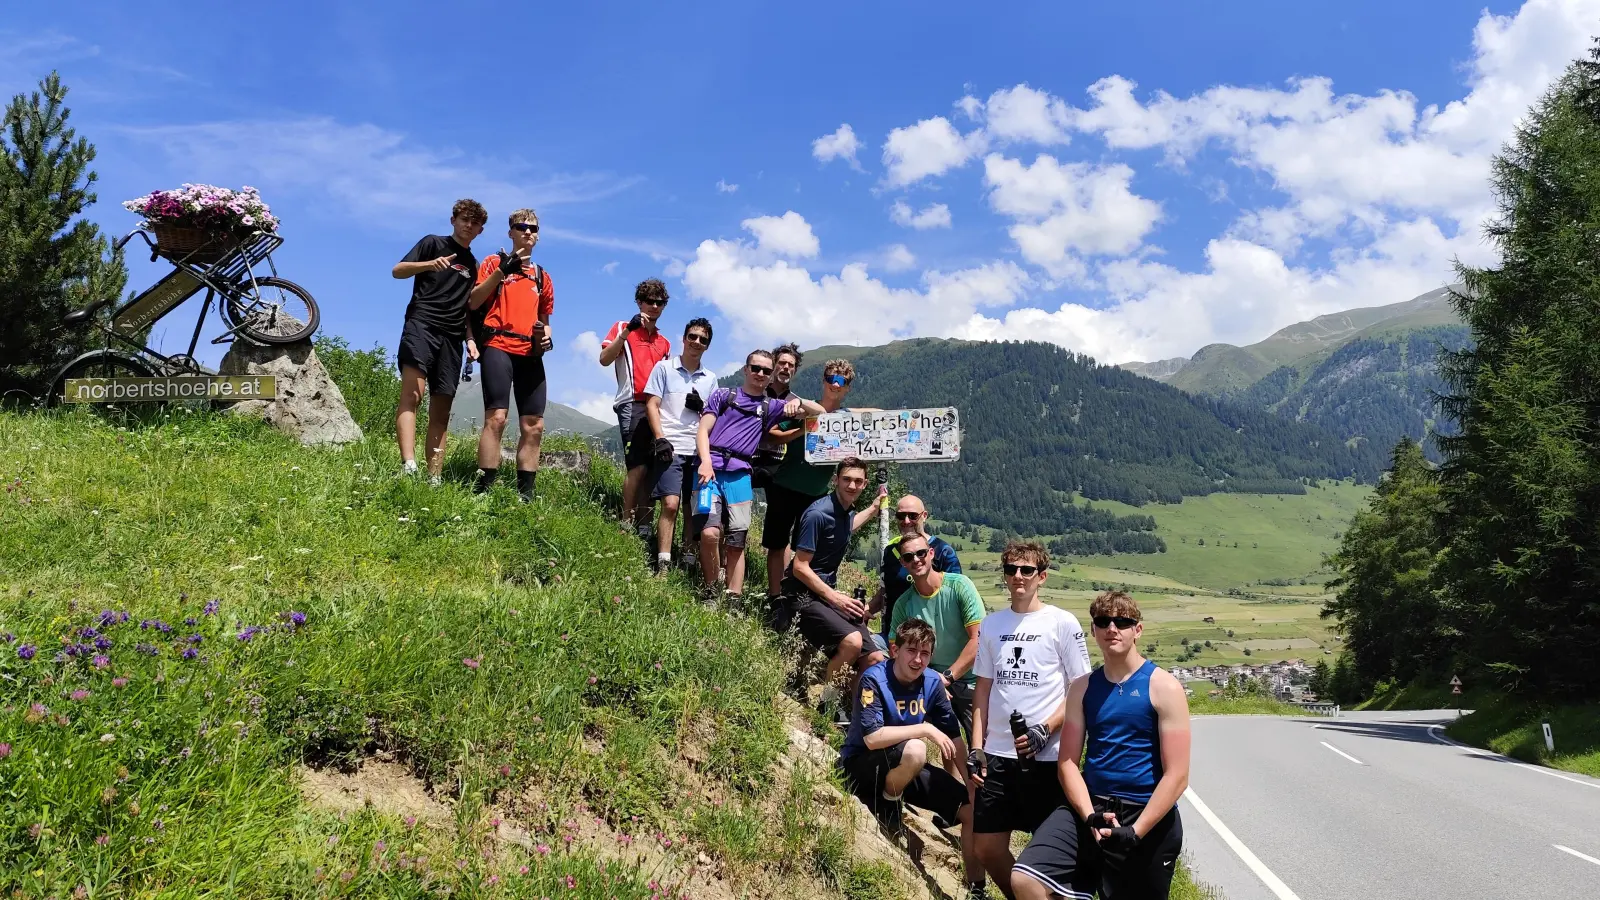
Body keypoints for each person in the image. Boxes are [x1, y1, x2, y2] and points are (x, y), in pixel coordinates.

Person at [1012, 592, 1191, 900]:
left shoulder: (1164, 687)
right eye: (1103, 621)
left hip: (1145, 815)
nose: (1112, 628)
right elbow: (1067, 763)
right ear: (1093, 630)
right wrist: (1088, 816)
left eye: (1122, 622)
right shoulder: (1082, 688)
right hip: (1092, 807)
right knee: (1026, 880)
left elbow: (1177, 775)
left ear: (1137, 630)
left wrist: (1135, 832)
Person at [968, 541, 1092, 900]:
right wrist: (976, 747)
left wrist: (1045, 729)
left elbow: (1080, 688)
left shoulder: (1062, 622)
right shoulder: (992, 625)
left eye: (1027, 570)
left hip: (1047, 757)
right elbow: (982, 691)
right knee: (986, 847)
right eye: (1011, 570)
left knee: (1049, 856)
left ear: (1042, 576)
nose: (1018, 576)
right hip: (998, 756)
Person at [839, 617, 986, 900]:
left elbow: (954, 738)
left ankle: (977, 889)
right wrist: (925, 729)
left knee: (970, 809)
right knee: (917, 748)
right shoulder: (874, 679)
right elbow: (872, 739)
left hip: (904, 768)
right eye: (911, 650)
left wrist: (970, 784)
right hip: (861, 765)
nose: (918, 660)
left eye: (925, 653)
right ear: (895, 650)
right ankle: (888, 805)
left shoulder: (931, 683)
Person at [694, 350, 824, 596]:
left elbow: (819, 412)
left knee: (737, 541)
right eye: (755, 368)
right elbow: (703, 429)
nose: (760, 373)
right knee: (709, 533)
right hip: (710, 469)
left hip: (741, 473)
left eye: (766, 370)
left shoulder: (770, 406)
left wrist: (800, 403)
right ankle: (711, 589)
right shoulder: (723, 395)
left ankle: (734, 597)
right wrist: (705, 461)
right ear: (746, 369)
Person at [391, 199, 485, 483]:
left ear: (480, 230)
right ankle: (409, 464)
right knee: (413, 395)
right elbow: (398, 270)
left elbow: (468, 308)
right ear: (453, 220)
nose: (469, 226)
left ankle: (434, 478)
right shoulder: (433, 243)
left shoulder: (474, 265)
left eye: (475, 223)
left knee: (442, 409)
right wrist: (429, 264)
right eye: (464, 219)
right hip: (422, 324)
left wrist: (471, 339)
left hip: (453, 338)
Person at [777, 455, 890, 689]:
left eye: (858, 481)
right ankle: (827, 703)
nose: (852, 486)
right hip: (801, 595)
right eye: (846, 479)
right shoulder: (817, 514)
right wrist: (836, 598)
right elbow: (800, 567)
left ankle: (853, 704)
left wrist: (873, 509)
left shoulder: (845, 511)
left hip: (825, 595)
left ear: (865, 484)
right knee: (852, 641)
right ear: (835, 480)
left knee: (875, 658)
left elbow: (845, 528)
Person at [468, 208, 554, 501]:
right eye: (521, 226)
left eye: (533, 228)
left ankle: (525, 496)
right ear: (510, 232)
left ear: (537, 235)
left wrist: (546, 337)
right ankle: (484, 490)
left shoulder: (542, 276)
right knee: (497, 418)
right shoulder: (493, 262)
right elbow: (473, 301)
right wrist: (502, 271)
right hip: (498, 345)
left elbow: (545, 320)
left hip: (530, 352)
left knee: (534, 425)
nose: (528, 231)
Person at [762, 358, 857, 599]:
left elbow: (876, 415)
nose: (836, 384)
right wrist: (801, 429)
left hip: (817, 494)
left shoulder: (848, 418)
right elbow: (772, 436)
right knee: (777, 544)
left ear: (848, 387)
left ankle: (796, 597)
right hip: (785, 485)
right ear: (823, 381)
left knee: (807, 549)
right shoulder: (802, 409)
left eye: (842, 381)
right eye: (831, 379)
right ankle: (775, 598)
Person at [887, 532, 984, 745]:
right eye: (909, 557)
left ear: (931, 553)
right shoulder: (903, 604)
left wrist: (947, 677)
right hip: (929, 680)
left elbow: (979, 639)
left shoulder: (959, 586)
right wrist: (931, 679)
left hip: (972, 680)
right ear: (903, 563)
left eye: (921, 553)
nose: (916, 560)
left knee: (983, 746)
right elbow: (895, 650)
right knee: (947, 743)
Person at [642, 318, 718, 574]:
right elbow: (651, 404)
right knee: (670, 504)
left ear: (707, 346)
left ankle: (687, 560)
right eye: (692, 336)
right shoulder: (664, 368)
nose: (697, 342)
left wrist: (702, 408)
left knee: (692, 508)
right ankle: (663, 564)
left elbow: (712, 417)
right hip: (671, 446)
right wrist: (660, 438)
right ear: (684, 338)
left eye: (703, 339)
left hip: (697, 451)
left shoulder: (711, 379)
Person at [599, 279, 672, 538]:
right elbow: (604, 359)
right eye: (649, 301)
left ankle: (644, 526)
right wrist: (628, 331)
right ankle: (625, 522)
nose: (654, 306)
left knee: (652, 467)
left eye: (660, 302)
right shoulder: (622, 327)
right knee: (637, 466)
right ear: (639, 302)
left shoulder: (664, 342)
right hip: (631, 403)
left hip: (657, 407)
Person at [872, 495, 963, 644]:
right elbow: (886, 590)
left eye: (913, 516)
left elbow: (955, 597)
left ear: (924, 516)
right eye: (901, 516)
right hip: (894, 636)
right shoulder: (890, 552)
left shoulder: (943, 551)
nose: (906, 521)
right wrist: (866, 610)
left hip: (933, 639)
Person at [750, 342, 803, 490]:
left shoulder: (796, 402)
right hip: (748, 460)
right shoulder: (756, 393)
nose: (786, 367)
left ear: (795, 370)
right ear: (773, 366)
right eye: (782, 363)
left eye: (791, 365)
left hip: (777, 467)